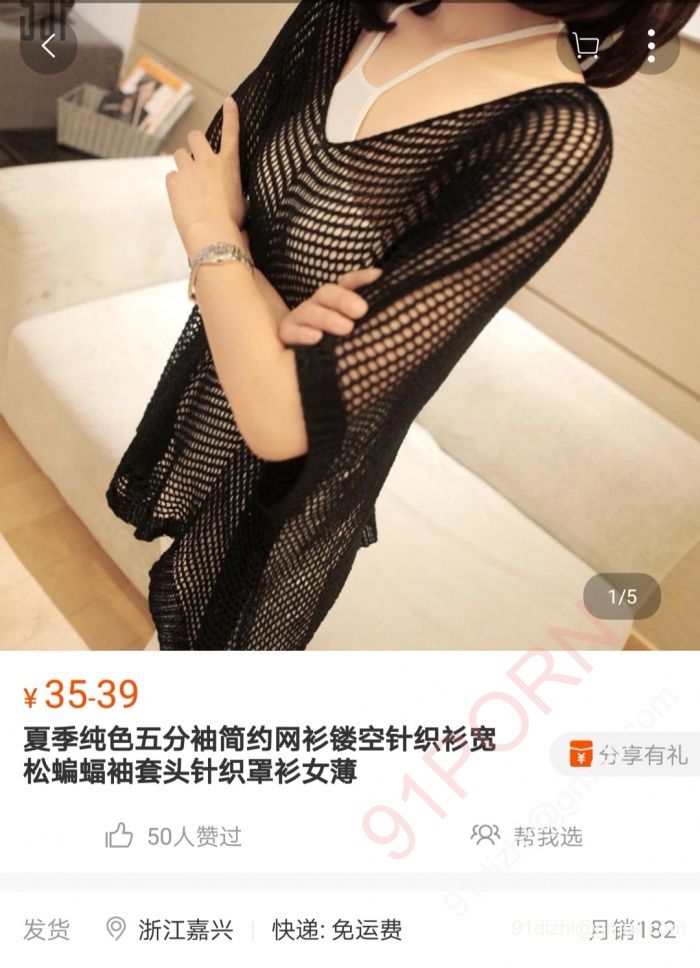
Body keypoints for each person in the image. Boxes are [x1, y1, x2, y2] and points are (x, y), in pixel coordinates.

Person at [106, 0, 698, 651]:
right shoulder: (339, 14)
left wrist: (215, 236)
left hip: (296, 497)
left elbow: (281, 415)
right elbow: (202, 179)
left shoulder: (550, 134)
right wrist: (241, 279)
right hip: (209, 410)